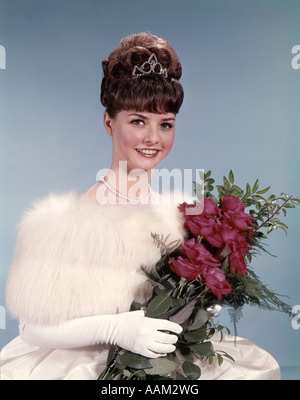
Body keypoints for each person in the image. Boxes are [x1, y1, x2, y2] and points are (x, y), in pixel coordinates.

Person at [0, 32, 280, 380]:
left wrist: (196, 304)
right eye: (137, 121)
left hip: (162, 359)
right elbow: (31, 329)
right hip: (87, 364)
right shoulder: (65, 222)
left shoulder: (178, 216)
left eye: (165, 124)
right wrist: (117, 329)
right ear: (108, 123)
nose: (153, 138)